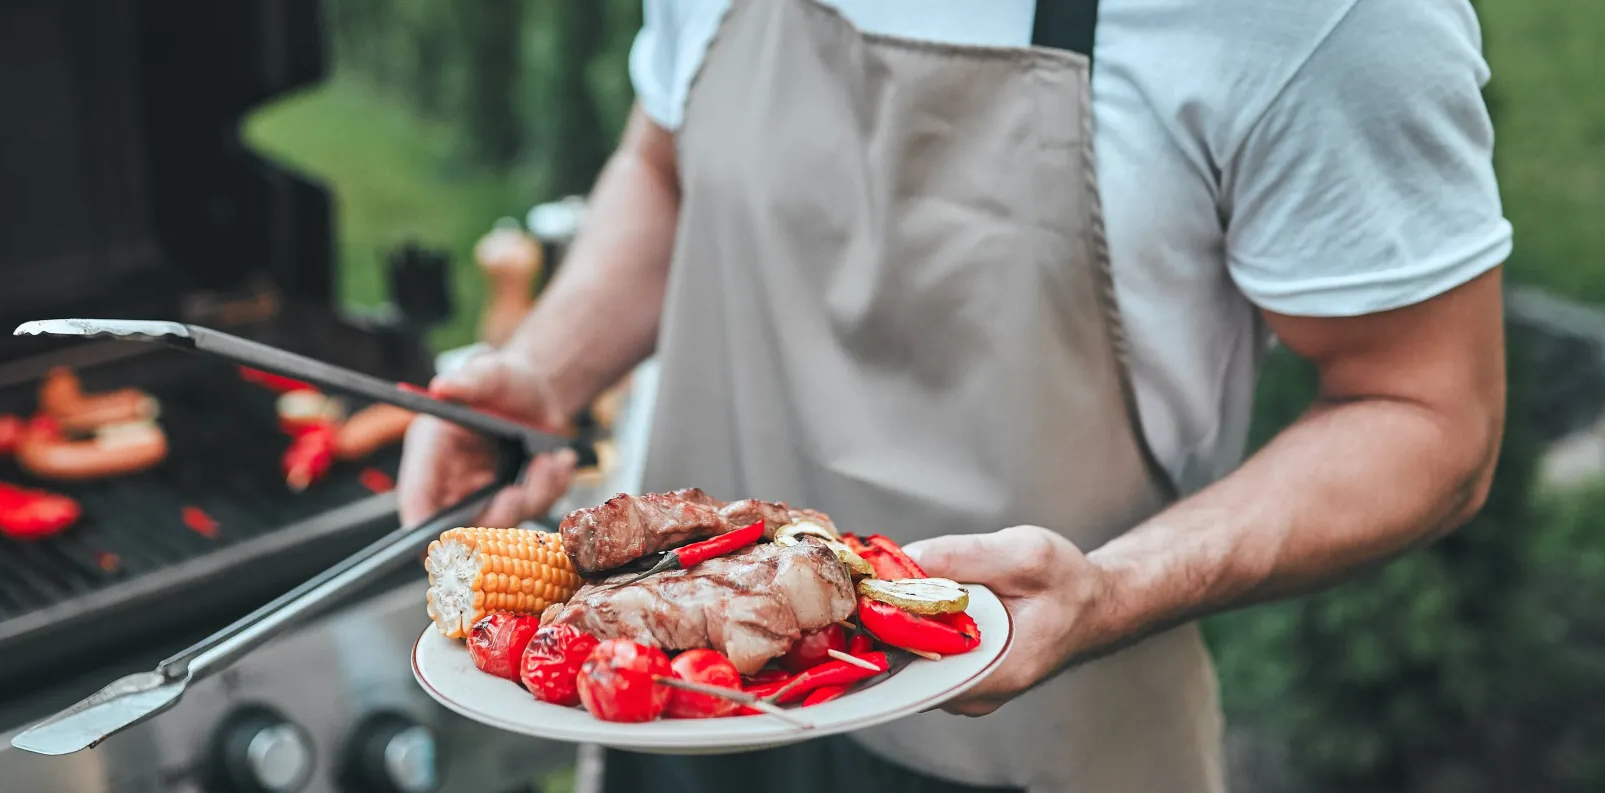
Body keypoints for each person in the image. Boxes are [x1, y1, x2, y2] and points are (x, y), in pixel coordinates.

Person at [398, 0, 1511, 790]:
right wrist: (550, 366)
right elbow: (663, 165)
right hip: (669, 714)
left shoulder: (1321, 20)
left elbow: (1427, 409)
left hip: (1045, 739)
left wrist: (1114, 589)